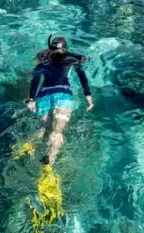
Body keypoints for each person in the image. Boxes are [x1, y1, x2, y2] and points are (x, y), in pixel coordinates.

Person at [25, 36, 94, 166]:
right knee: (57, 131)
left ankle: (29, 144)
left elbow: (35, 80)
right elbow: (82, 77)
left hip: (44, 96)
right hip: (62, 95)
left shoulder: (42, 62)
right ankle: (49, 163)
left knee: (47, 129)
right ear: (65, 48)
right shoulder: (70, 60)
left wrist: (31, 99)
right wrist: (88, 96)